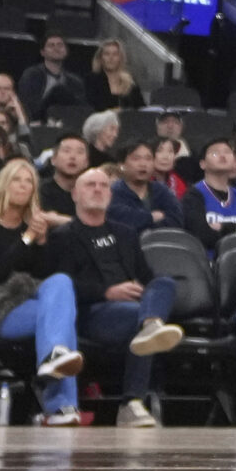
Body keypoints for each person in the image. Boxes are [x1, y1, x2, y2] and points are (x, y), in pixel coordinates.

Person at [42, 166, 185, 427]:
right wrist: (107, 292)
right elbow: (60, 288)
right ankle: (132, 403)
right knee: (137, 322)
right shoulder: (62, 237)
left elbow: (146, 276)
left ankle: (151, 322)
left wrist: (144, 291)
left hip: (135, 305)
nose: (98, 190)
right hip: (92, 311)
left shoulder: (126, 233)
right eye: (90, 185)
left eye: (104, 185)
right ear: (75, 194)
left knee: (164, 283)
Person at [0, 158, 89, 426]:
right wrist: (28, 238)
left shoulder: (33, 229)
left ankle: (54, 360)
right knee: (61, 320)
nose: (23, 185)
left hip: (27, 304)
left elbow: (43, 277)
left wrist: (41, 244)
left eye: (28, 181)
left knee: (61, 284)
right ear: (4, 185)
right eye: (16, 179)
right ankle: (60, 405)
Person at [185, 137, 236, 253]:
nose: (222, 156)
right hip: (208, 264)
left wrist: (223, 227)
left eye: (227, 152)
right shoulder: (193, 196)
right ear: (203, 164)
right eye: (215, 153)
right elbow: (203, 236)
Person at [108, 140, 185, 233]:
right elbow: (119, 220)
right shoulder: (113, 192)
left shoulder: (161, 190)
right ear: (122, 165)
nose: (143, 164)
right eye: (136, 158)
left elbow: (177, 219)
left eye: (148, 159)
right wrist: (152, 217)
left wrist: (144, 224)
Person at [18, 35, 88, 118]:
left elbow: (81, 109)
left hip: (68, 123)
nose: (56, 48)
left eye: (60, 45)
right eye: (51, 45)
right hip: (37, 121)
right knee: (58, 91)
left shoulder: (76, 81)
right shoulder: (32, 75)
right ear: (42, 52)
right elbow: (26, 106)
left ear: (66, 51)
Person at [84, 40, 138, 111]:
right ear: (100, 58)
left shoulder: (130, 81)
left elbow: (140, 108)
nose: (111, 58)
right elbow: (89, 107)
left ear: (120, 58)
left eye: (115, 54)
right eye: (107, 54)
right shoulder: (91, 79)